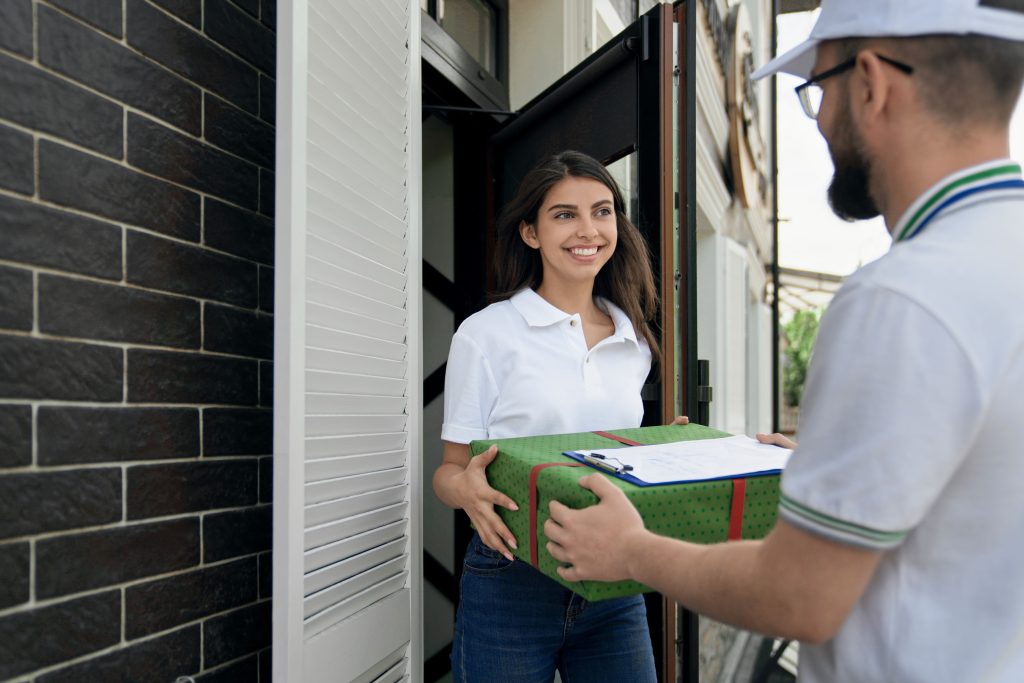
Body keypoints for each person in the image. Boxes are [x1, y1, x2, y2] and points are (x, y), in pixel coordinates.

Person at [542, 1, 1024, 681]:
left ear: (871, 84)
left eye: (817, 89)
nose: (821, 119)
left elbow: (800, 593)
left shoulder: (901, 297)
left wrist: (633, 550)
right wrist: (843, 459)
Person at [433, 150, 685, 682]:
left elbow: (617, 458)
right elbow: (450, 471)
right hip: (512, 579)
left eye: (602, 211)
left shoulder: (634, 340)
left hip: (614, 578)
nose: (588, 229)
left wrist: (668, 452)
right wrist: (466, 492)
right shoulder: (486, 335)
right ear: (531, 233)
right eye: (564, 214)